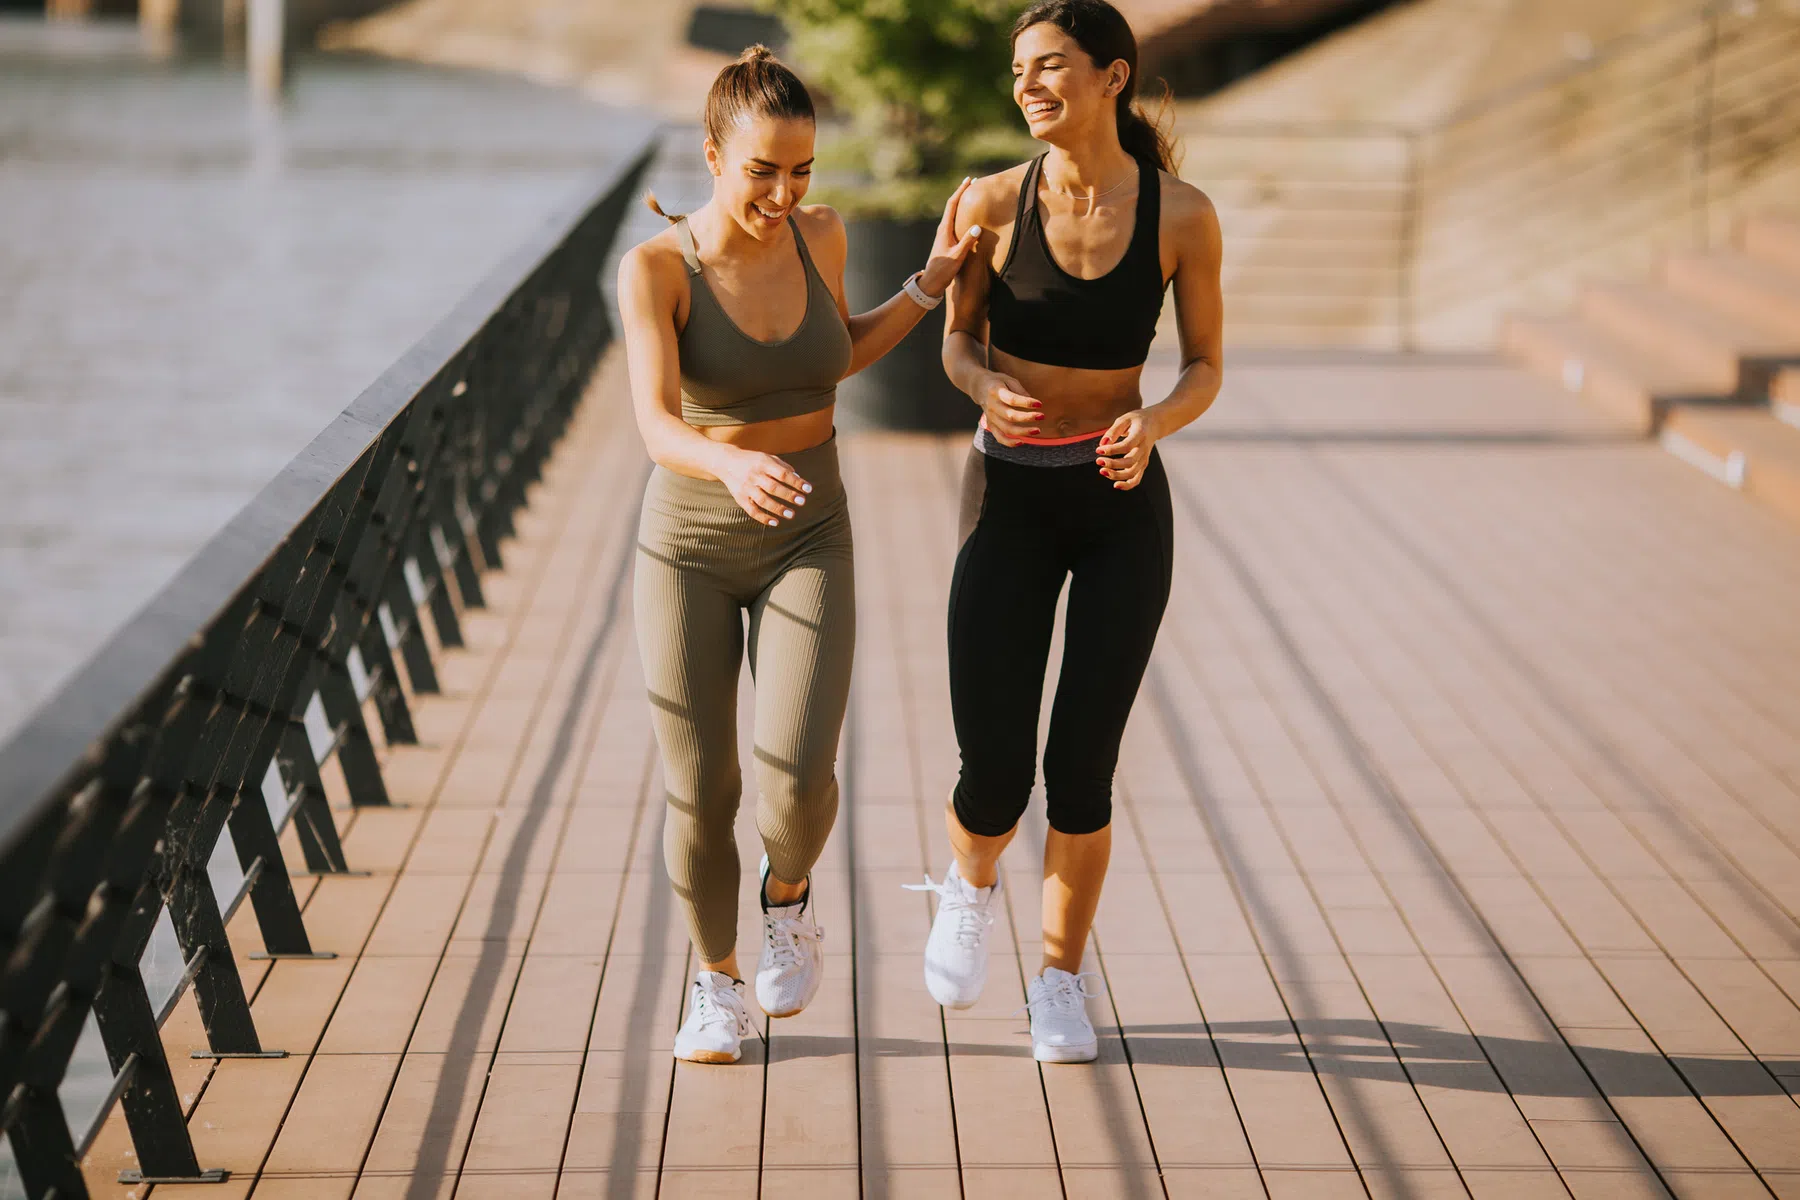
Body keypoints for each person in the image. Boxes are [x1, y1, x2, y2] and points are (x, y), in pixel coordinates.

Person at [617, 46, 979, 1065]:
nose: (784, 193)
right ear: (710, 155)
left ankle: (789, 897)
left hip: (811, 533)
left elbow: (836, 351)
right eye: (761, 170)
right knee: (702, 790)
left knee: (799, 778)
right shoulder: (656, 268)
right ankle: (717, 983)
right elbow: (653, 425)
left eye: (802, 169)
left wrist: (927, 284)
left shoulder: (823, 236)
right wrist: (726, 470)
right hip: (687, 542)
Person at [911, 0, 1223, 1063]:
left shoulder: (1182, 214)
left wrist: (1155, 420)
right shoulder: (992, 204)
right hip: (1008, 500)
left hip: (1121, 503)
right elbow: (956, 345)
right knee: (993, 772)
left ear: (1113, 77)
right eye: (1018, 71)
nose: (1028, 85)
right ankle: (969, 882)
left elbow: (1207, 365)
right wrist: (984, 384)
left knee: (1082, 766)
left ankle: (1059, 984)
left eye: (1050, 66)